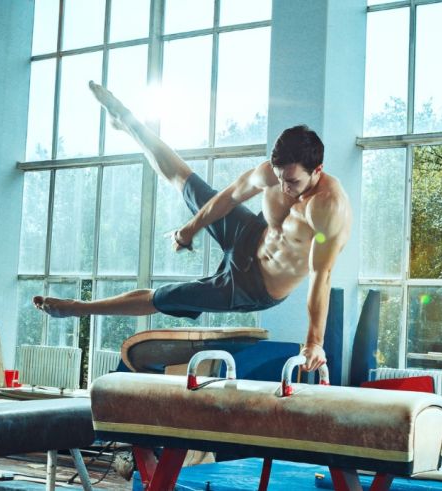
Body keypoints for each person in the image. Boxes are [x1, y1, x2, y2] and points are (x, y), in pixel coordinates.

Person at [33, 81, 352, 371]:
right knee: (184, 180)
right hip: (250, 235)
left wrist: (314, 341)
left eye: (293, 181)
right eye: (280, 178)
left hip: (253, 286)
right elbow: (226, 199)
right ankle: (129, 123)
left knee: (164, 298)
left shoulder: (328, 208)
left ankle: (78, 308)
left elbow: (320, 276)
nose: (284, 188)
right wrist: (190, 229)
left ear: (317, 170)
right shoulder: (274, 172)